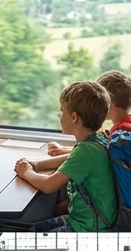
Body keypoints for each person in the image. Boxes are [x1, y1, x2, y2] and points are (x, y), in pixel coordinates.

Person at [14, 81, 118, 232]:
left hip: (89, 228)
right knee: (33, 230)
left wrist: (26, 172)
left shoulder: (87, 151)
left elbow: (49, 185)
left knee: (33, 238)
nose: (60, 116)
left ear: (74, 117)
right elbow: (69, 159)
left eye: (62, 111)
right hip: (84, 220)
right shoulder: (97, 141)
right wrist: (36, 165)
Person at [45, 70, 131, 158]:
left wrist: (63, 151)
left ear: (110, 104)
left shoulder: (122, 132)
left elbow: (98, 156)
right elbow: (98, 150)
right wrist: (64, 149)